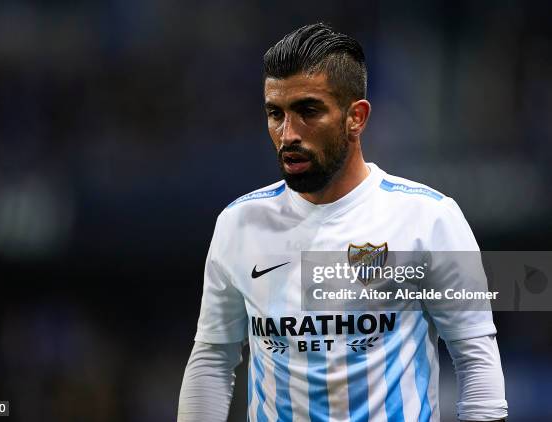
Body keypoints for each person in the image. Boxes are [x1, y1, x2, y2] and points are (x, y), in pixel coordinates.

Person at [177, 23, 508, 422]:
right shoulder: (239, 224)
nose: (288, 134)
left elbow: (475, 357)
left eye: (308, 111)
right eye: (275, 114)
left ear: (356, 117)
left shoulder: (429, 218)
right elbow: (212, 361)